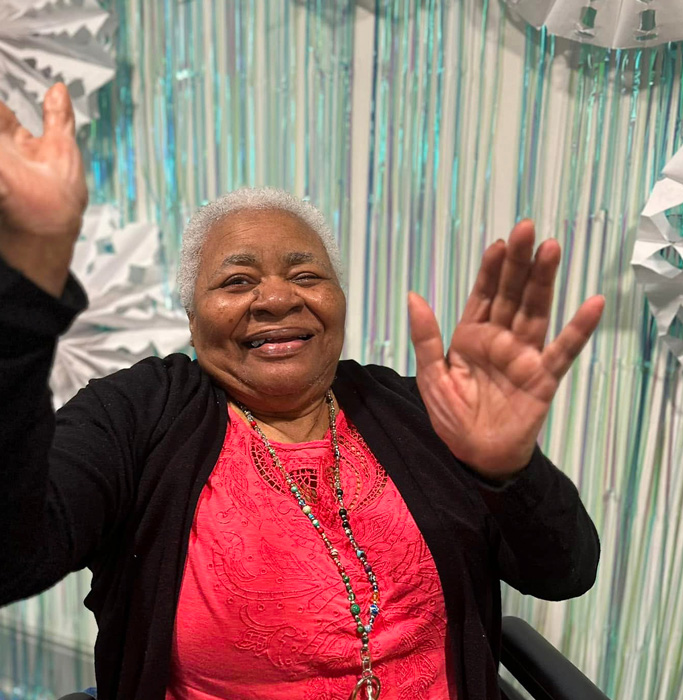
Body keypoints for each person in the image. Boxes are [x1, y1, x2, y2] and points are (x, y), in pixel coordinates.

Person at [0, 84, 605, 700]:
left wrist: (507, 470)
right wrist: (22, 291)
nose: (277, 298)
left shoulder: (418, 410)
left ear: (337, 300)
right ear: (192, 316)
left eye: (306, 275)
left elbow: (566, 572)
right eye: (237, 279)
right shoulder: (134, 416)